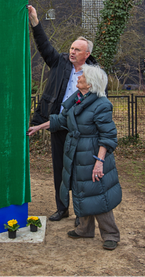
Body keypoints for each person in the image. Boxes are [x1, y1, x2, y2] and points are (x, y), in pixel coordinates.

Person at [27, 64, 122, 250]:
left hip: (92, 154)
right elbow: (62, 120)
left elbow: (108, 137)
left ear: (91, 83)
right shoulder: (78, 99)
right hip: (76, 153)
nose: (78, 78)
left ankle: (111, 234)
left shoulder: (102, 105)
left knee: (99, 193)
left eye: (82, 77)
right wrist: (38, 127)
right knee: (80, 189)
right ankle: (85, 229)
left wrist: (99, 162)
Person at [27, 5, 97, 225]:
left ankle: (80, 213)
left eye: (77, 50)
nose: (72, 52)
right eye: (71, 48)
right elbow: (44, 46)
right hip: (56, 123)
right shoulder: (59, 63)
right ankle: (62, 208)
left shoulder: (94, 74)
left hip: (80, 129)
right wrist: (35, 22)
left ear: (87, 54)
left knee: (78, 171)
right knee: (59, 167)